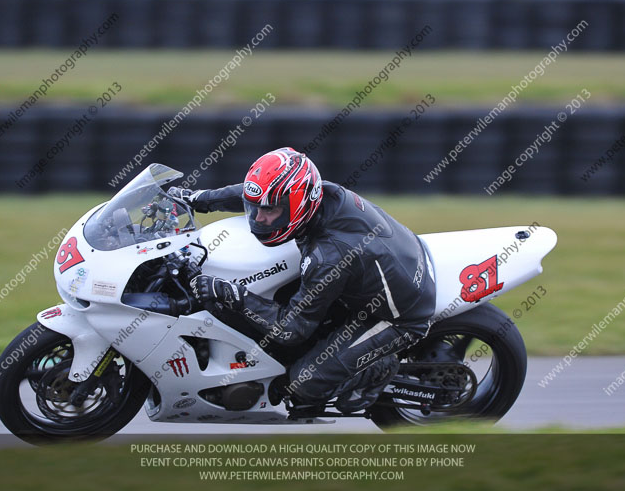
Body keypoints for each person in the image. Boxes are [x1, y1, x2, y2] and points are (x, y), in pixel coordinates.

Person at [171, 147, 436, 413]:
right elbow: (253, 193)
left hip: (397, 317)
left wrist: (232, 294)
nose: (258, 218)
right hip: (388, 264)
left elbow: (292, 329)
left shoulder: (328, 256)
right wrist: (196, 198)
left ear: (296, 205)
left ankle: (379, 368)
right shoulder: (315, 193)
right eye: (255, 209)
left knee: (303, 385)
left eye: (269, 211)